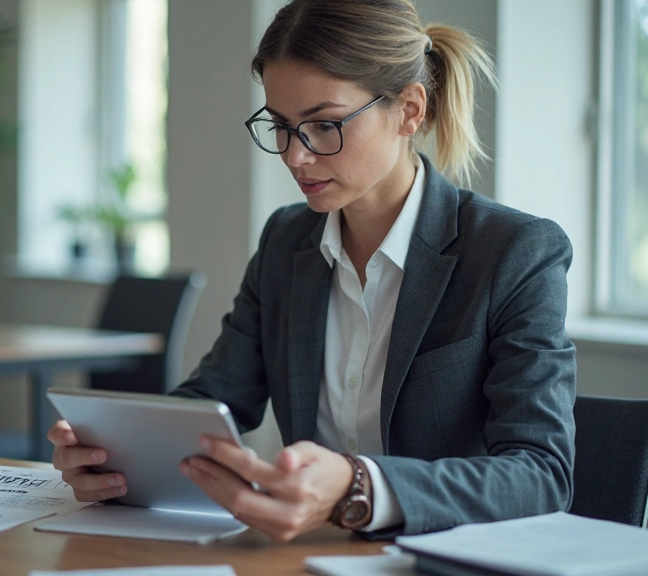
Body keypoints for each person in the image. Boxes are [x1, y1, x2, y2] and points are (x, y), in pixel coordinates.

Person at [49, 0, 575, 541]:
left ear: (409, 111)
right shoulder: (286, 242)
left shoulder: (515, 252)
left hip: (439, 557)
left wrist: (358, 486)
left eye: (324, 125)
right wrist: (117, 451)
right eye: (280, 125)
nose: (295, 157)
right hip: (303, 555)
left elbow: (540, 474)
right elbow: (216, 400)